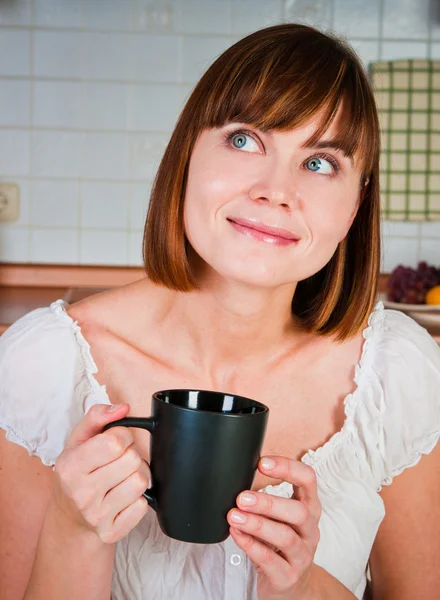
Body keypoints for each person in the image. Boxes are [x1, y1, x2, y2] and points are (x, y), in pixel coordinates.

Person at [0, 23, 439, 600]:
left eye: (320, 162)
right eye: (244, 140)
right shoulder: (42, 365)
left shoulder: (396, 373)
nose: (275, 190)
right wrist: (74, 530)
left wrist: (299, 585)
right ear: (187, 155)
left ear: (356, 205)